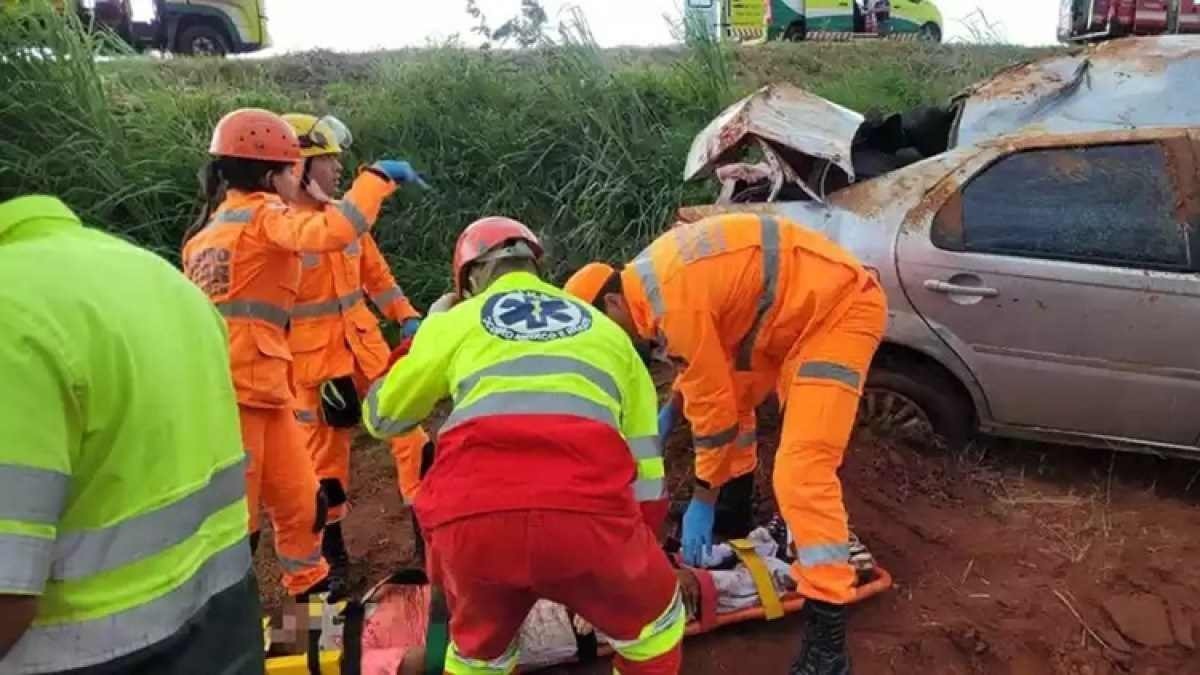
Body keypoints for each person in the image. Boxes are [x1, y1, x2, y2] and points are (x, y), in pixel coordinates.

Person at [564, 212, 888, 675]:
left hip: (836, 312)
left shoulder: (666, 304)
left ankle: (828, 641)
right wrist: (673, 411)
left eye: (603, 331)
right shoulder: (649, 283)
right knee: (736, 400)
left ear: (613, 302)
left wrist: (702, 497)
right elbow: (704, 367)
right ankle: (736, 510)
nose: (609, 345)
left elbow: (710, 408)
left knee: (801, 471)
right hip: (789, 316)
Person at [362, 217, 683, 674]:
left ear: (469, 281)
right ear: (535, 266)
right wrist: (630, 558)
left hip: (471, 524)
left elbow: (381, 417)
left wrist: (421, 339)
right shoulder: (607, 331)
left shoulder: (455, 323)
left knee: (479, 657)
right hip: (588, 518)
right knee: (657, 631)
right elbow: (648, 473)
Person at [0, 195, 263, 673]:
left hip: (95, 657)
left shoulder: (11, 315)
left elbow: (7, 593)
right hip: (224, 625)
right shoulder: (157, 276)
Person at [181, 108, 425, 601]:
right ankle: (235, 626)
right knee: (250, 521)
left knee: (302, 506)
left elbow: (370, 268)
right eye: (299, 166)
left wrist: (404, 312)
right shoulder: (270, 219)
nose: (332, 170)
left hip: (279, 381)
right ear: (277, 173)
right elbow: (330, 233)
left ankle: (312, 623)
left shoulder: (208, 237)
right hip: (270, 381)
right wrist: (376, 179)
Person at [279, 113, 433, 589]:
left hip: (367, 353)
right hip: (317, 368)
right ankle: (333, 560)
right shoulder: (280, 232)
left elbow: (377, 278)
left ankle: (429, 546)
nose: (338, 170)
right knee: (325, 468)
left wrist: (406, 314)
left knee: (415, 443)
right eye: (329, 162)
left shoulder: (344, 219)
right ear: (302, 167)